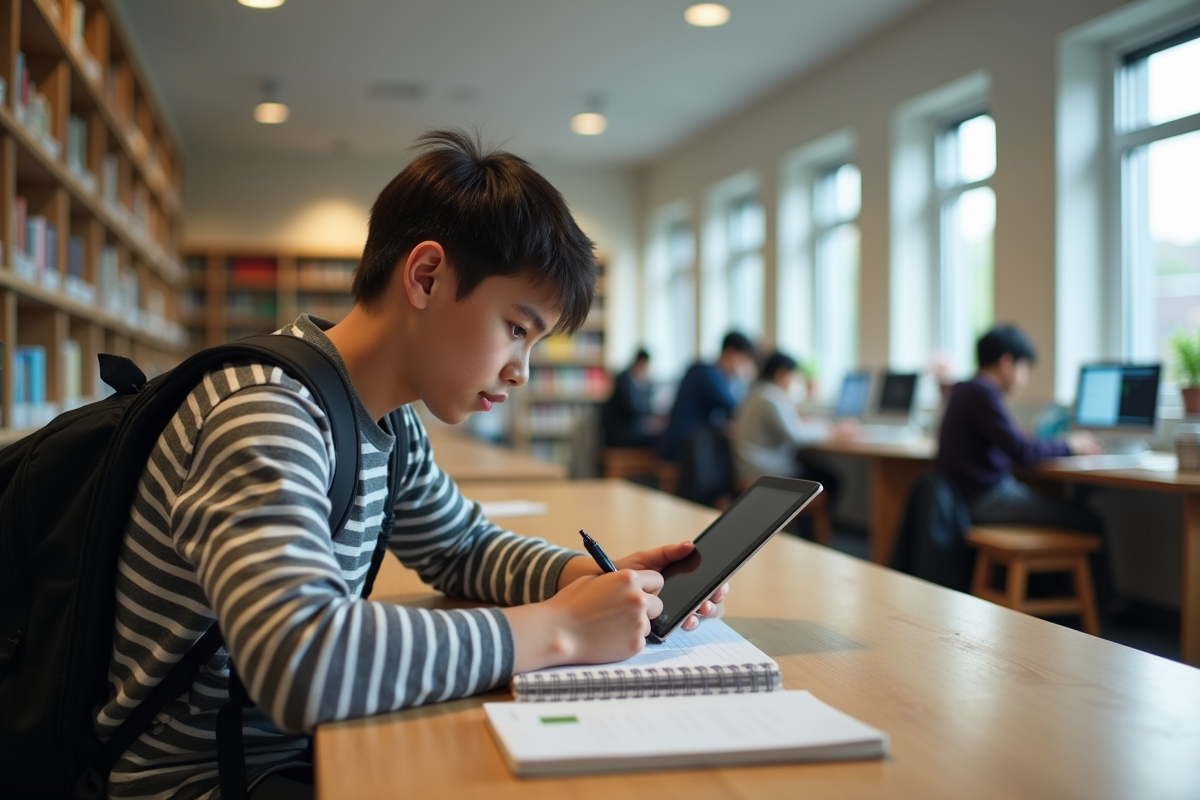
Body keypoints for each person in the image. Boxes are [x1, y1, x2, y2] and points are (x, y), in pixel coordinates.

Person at [96, 130, 727, 800]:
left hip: (288, 755)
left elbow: (461, 548)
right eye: (517, 328)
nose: (522, 371)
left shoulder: (387, 420)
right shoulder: (267, 412)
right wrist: (563, 630)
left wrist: (591, 579)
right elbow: (301, 662)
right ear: (427, 277)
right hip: (200, 782)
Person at [936, 325, 1114, 599]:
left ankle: (1061, 596)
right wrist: (1071, 444)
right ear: (1007, 362)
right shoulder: (982, 392)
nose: (1024, 378)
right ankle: (1106, 607)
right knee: (1089, 519)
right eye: (1025, 368)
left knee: (1068, 509)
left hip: (970, 496)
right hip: (988, 500)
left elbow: (1008, 442)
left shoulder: (964, 389)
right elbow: (1021, 451)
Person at [731, 351, 849, 505]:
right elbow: (796, 436)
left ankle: (801, 525)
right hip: (764, 470)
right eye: (793, 376)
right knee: (830, 479)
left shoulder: (757, 393)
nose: (794, 382)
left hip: (753, 465)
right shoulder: (770, 397)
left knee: (815, 469)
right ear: (781, 374)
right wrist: (832, 430)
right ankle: (806, 527)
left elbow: (793, 425)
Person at [655, 332, 757, 462]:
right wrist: (745, 379)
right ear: (730, 353)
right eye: (744, 360)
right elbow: (736, 409)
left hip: (690, 444)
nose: (745, 366)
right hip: (682, 446)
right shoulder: (705, 373)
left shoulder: (710, 373)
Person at [600, 348, 659, 448]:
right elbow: (632, 410)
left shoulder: (638, 381)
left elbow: (647, 410)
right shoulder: (625, 380)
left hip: (628, 431)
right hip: (620, 435)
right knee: (656, 440)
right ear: (641, 363)